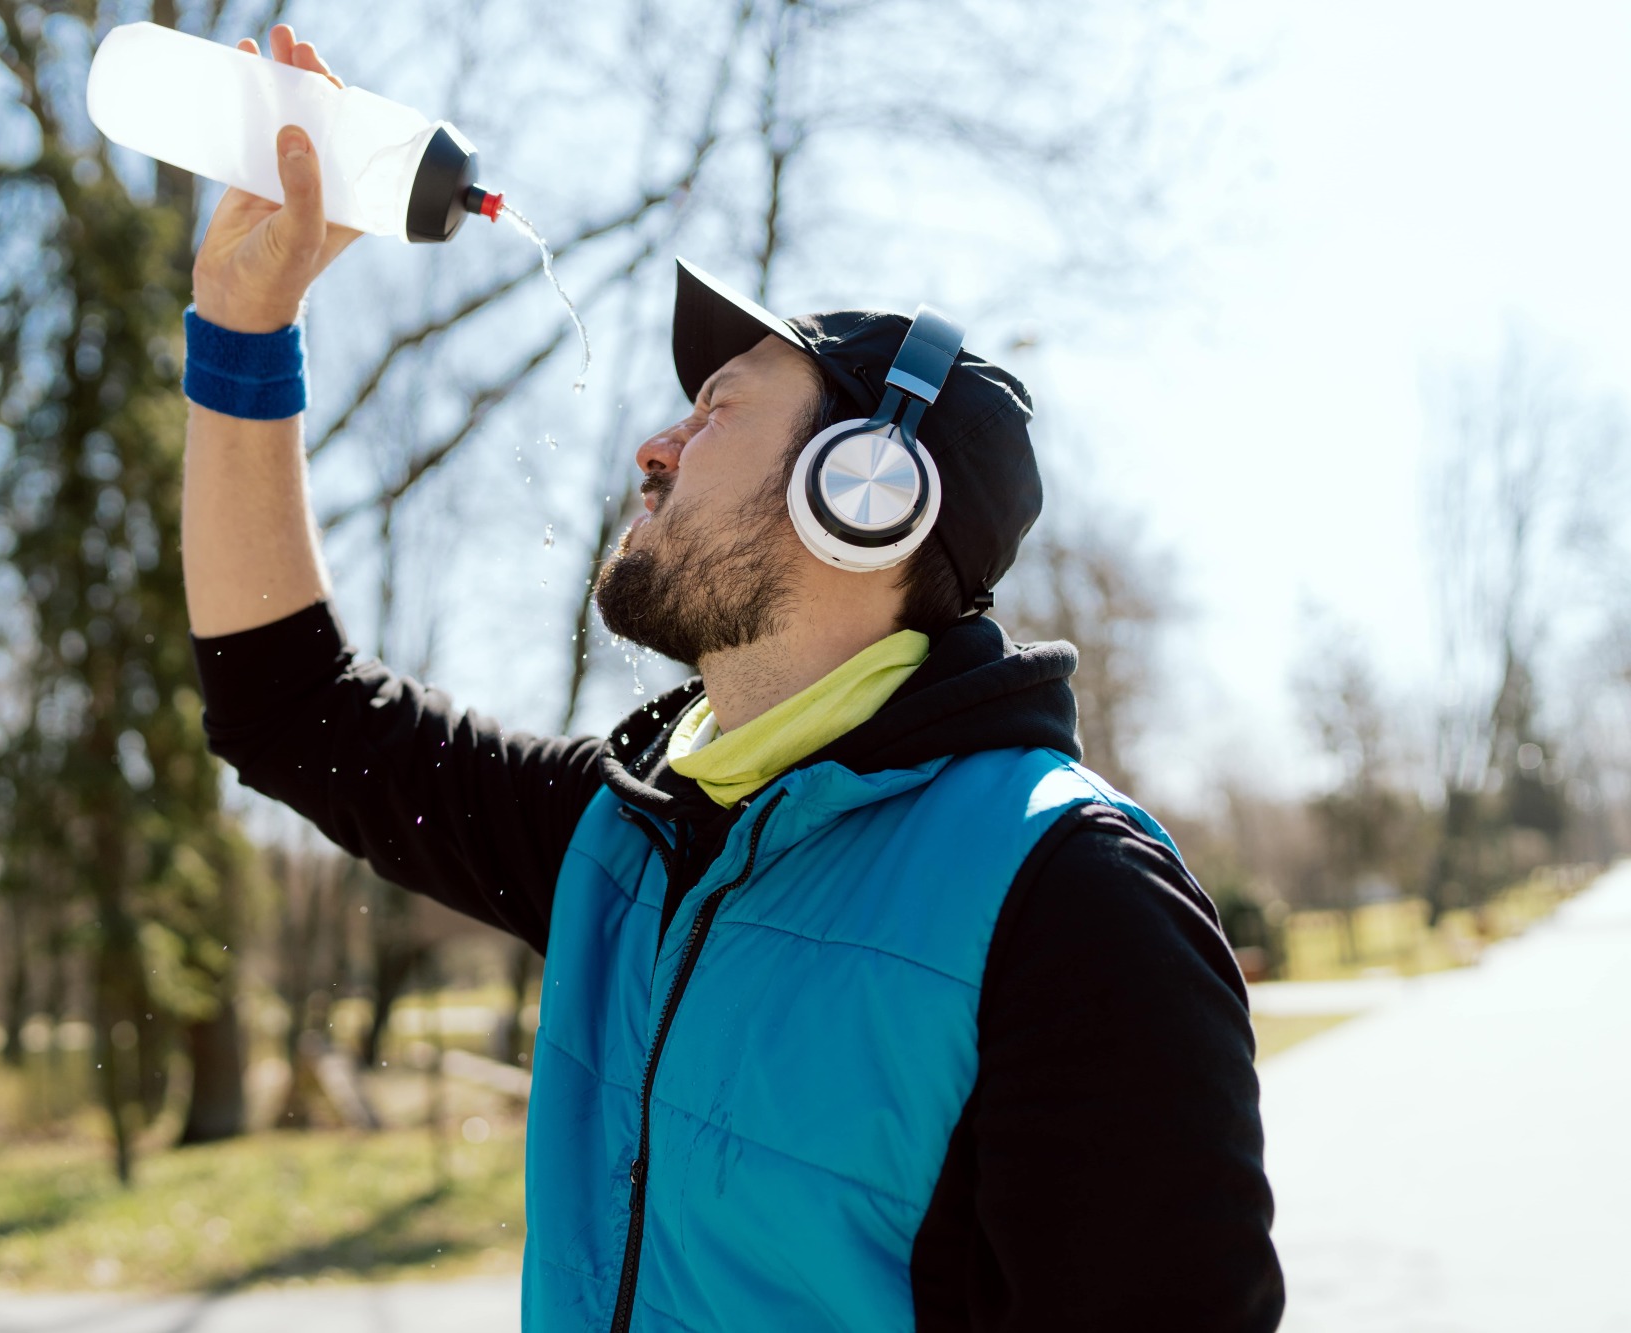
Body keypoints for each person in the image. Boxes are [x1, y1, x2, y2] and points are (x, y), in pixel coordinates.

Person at [179, 26, 1283, 1331]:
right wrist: (242, 332)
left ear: (863, 495)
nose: (655, 443)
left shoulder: (1071, 898)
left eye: (716, 409)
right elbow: (291, 710)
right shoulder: (625, 839)